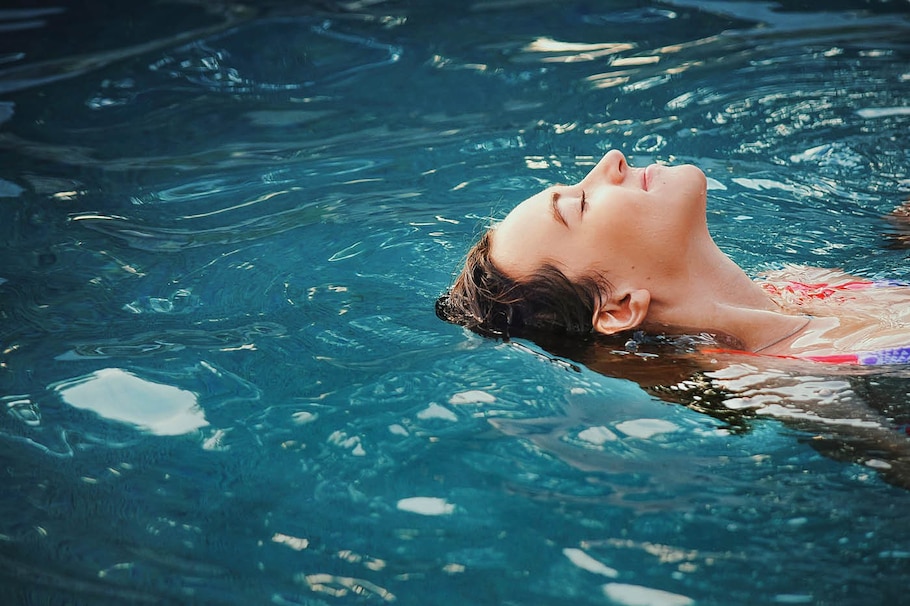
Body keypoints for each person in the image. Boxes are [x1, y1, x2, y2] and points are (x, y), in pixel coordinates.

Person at [436, 150, 910, 366]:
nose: (612, 160)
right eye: (580, 204)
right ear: (620, 308)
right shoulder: (775, 379)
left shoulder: (799, 282)